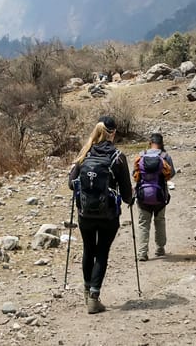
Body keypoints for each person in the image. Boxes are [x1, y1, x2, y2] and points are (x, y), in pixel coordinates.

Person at [68, 115, 133, 314]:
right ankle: (94, 298)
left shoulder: (85, 154)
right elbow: (127, 196)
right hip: (108, 216)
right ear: (112, 133)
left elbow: (71, 184)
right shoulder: (118, 157)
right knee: (102, 252)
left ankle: (87, 291)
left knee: (89, 249)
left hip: (85, 214)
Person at [132, 133, 175, 261]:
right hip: (160, 196)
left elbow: (134, 174)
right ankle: (160, 249)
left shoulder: (141, 155)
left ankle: (142, 253)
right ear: (162, 143)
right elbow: (171, 173)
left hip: (143, 196)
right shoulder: (165, 156)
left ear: (150, 142)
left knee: (143, 224)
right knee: (160, 221)